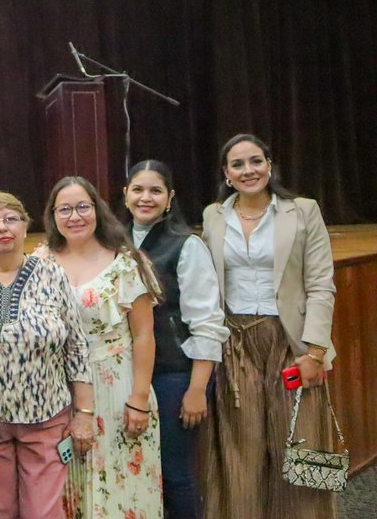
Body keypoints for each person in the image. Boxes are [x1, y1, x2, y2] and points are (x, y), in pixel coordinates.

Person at [200, 134, 338, 519]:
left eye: (255, 161)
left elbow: (321, 284)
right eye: (238, 165)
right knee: (241, 448)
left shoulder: (302, 210)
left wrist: (315, 351)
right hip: (235, 343)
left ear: (270, 165)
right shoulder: (214, 216)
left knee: (301, 443)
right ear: (227, 174)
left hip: (291, 343)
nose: (249, 171)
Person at [0, 191, 95, 519]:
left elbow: (76, 344)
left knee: (42, 513)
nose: (3, 227)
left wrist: (84, 412)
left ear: (26, 226)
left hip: (47, 418)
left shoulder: (52, 274)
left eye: (11, 219)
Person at [32, 176, 163, 519]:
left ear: (97, 210)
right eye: (65, 209)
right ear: (52, 216)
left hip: (116, 386)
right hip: (57, 391)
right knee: (63, 490)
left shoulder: (125, 264)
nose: (75, 217)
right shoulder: (39, 262)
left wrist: (139, 398)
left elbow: (144, 336)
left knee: (121, 492)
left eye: (82, 207)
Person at [121, 160, 229, 519]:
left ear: (170, 198)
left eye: (155, 190)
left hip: (173, 374)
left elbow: (207, 323)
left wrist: (197, 388)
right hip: (125, 374)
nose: (145, 198)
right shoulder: (112, 242)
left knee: (173, 472)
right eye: (138, 189)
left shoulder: (187, 245)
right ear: (125, 195)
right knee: (133, 470)